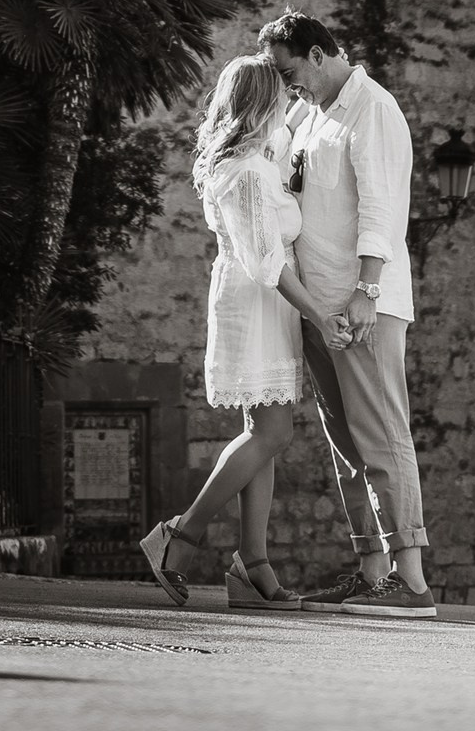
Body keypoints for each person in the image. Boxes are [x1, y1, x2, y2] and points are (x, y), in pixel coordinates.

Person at [259, 8, 437, 620]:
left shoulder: (373, 108)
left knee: (383, 434)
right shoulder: (308, 117)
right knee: (345, 444)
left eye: (291, 72)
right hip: (320, 308)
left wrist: (366, 291)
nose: (289, 86)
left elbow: (381, 208)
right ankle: (372, 572)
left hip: (365, 303)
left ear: (317, 53)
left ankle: (411, 583)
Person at [140, 52, 334, 609]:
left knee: (264, 434)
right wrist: (320, 315)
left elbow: (288, 131)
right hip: (258, 302)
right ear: (261, 103)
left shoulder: (255, 158)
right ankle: (181, 535)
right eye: (281, 94)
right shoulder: (247, 172)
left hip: (265, 304)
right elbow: (267, 264)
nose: (288, 102)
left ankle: (253, 566)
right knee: (272, 433)